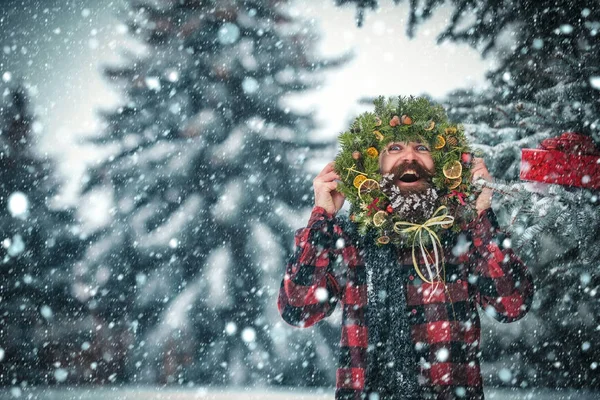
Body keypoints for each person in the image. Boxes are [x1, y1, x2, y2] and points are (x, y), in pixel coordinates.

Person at [277, 96, 534, 400]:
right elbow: (298, 309)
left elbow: (512, 304)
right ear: (374, 166)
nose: (409, 156)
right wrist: (322, 218)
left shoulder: (462, 234)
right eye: (394, 148)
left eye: (422, 147)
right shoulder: (350, 238)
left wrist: (481, 217)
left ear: (440, 164)